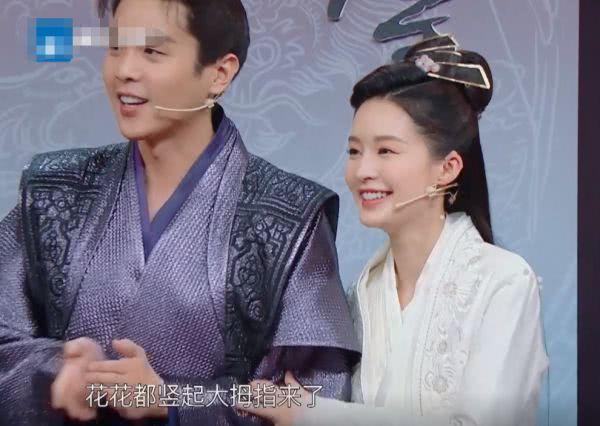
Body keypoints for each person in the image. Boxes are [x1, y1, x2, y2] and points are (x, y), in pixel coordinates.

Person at [0, 0, 359, 424]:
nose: (124, 70)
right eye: (115, 48)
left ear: (219, 73)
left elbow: (314, 396)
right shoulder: (54, 188)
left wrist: (171, 400)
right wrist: (56, 369)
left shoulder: (289, 213)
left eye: (152, 51)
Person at [237, 36, 549, 426]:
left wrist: (315, 415)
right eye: (354, 151)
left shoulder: (504, 282)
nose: (362, 171)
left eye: (386, 150)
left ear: (447, 168)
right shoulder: (364, 292)